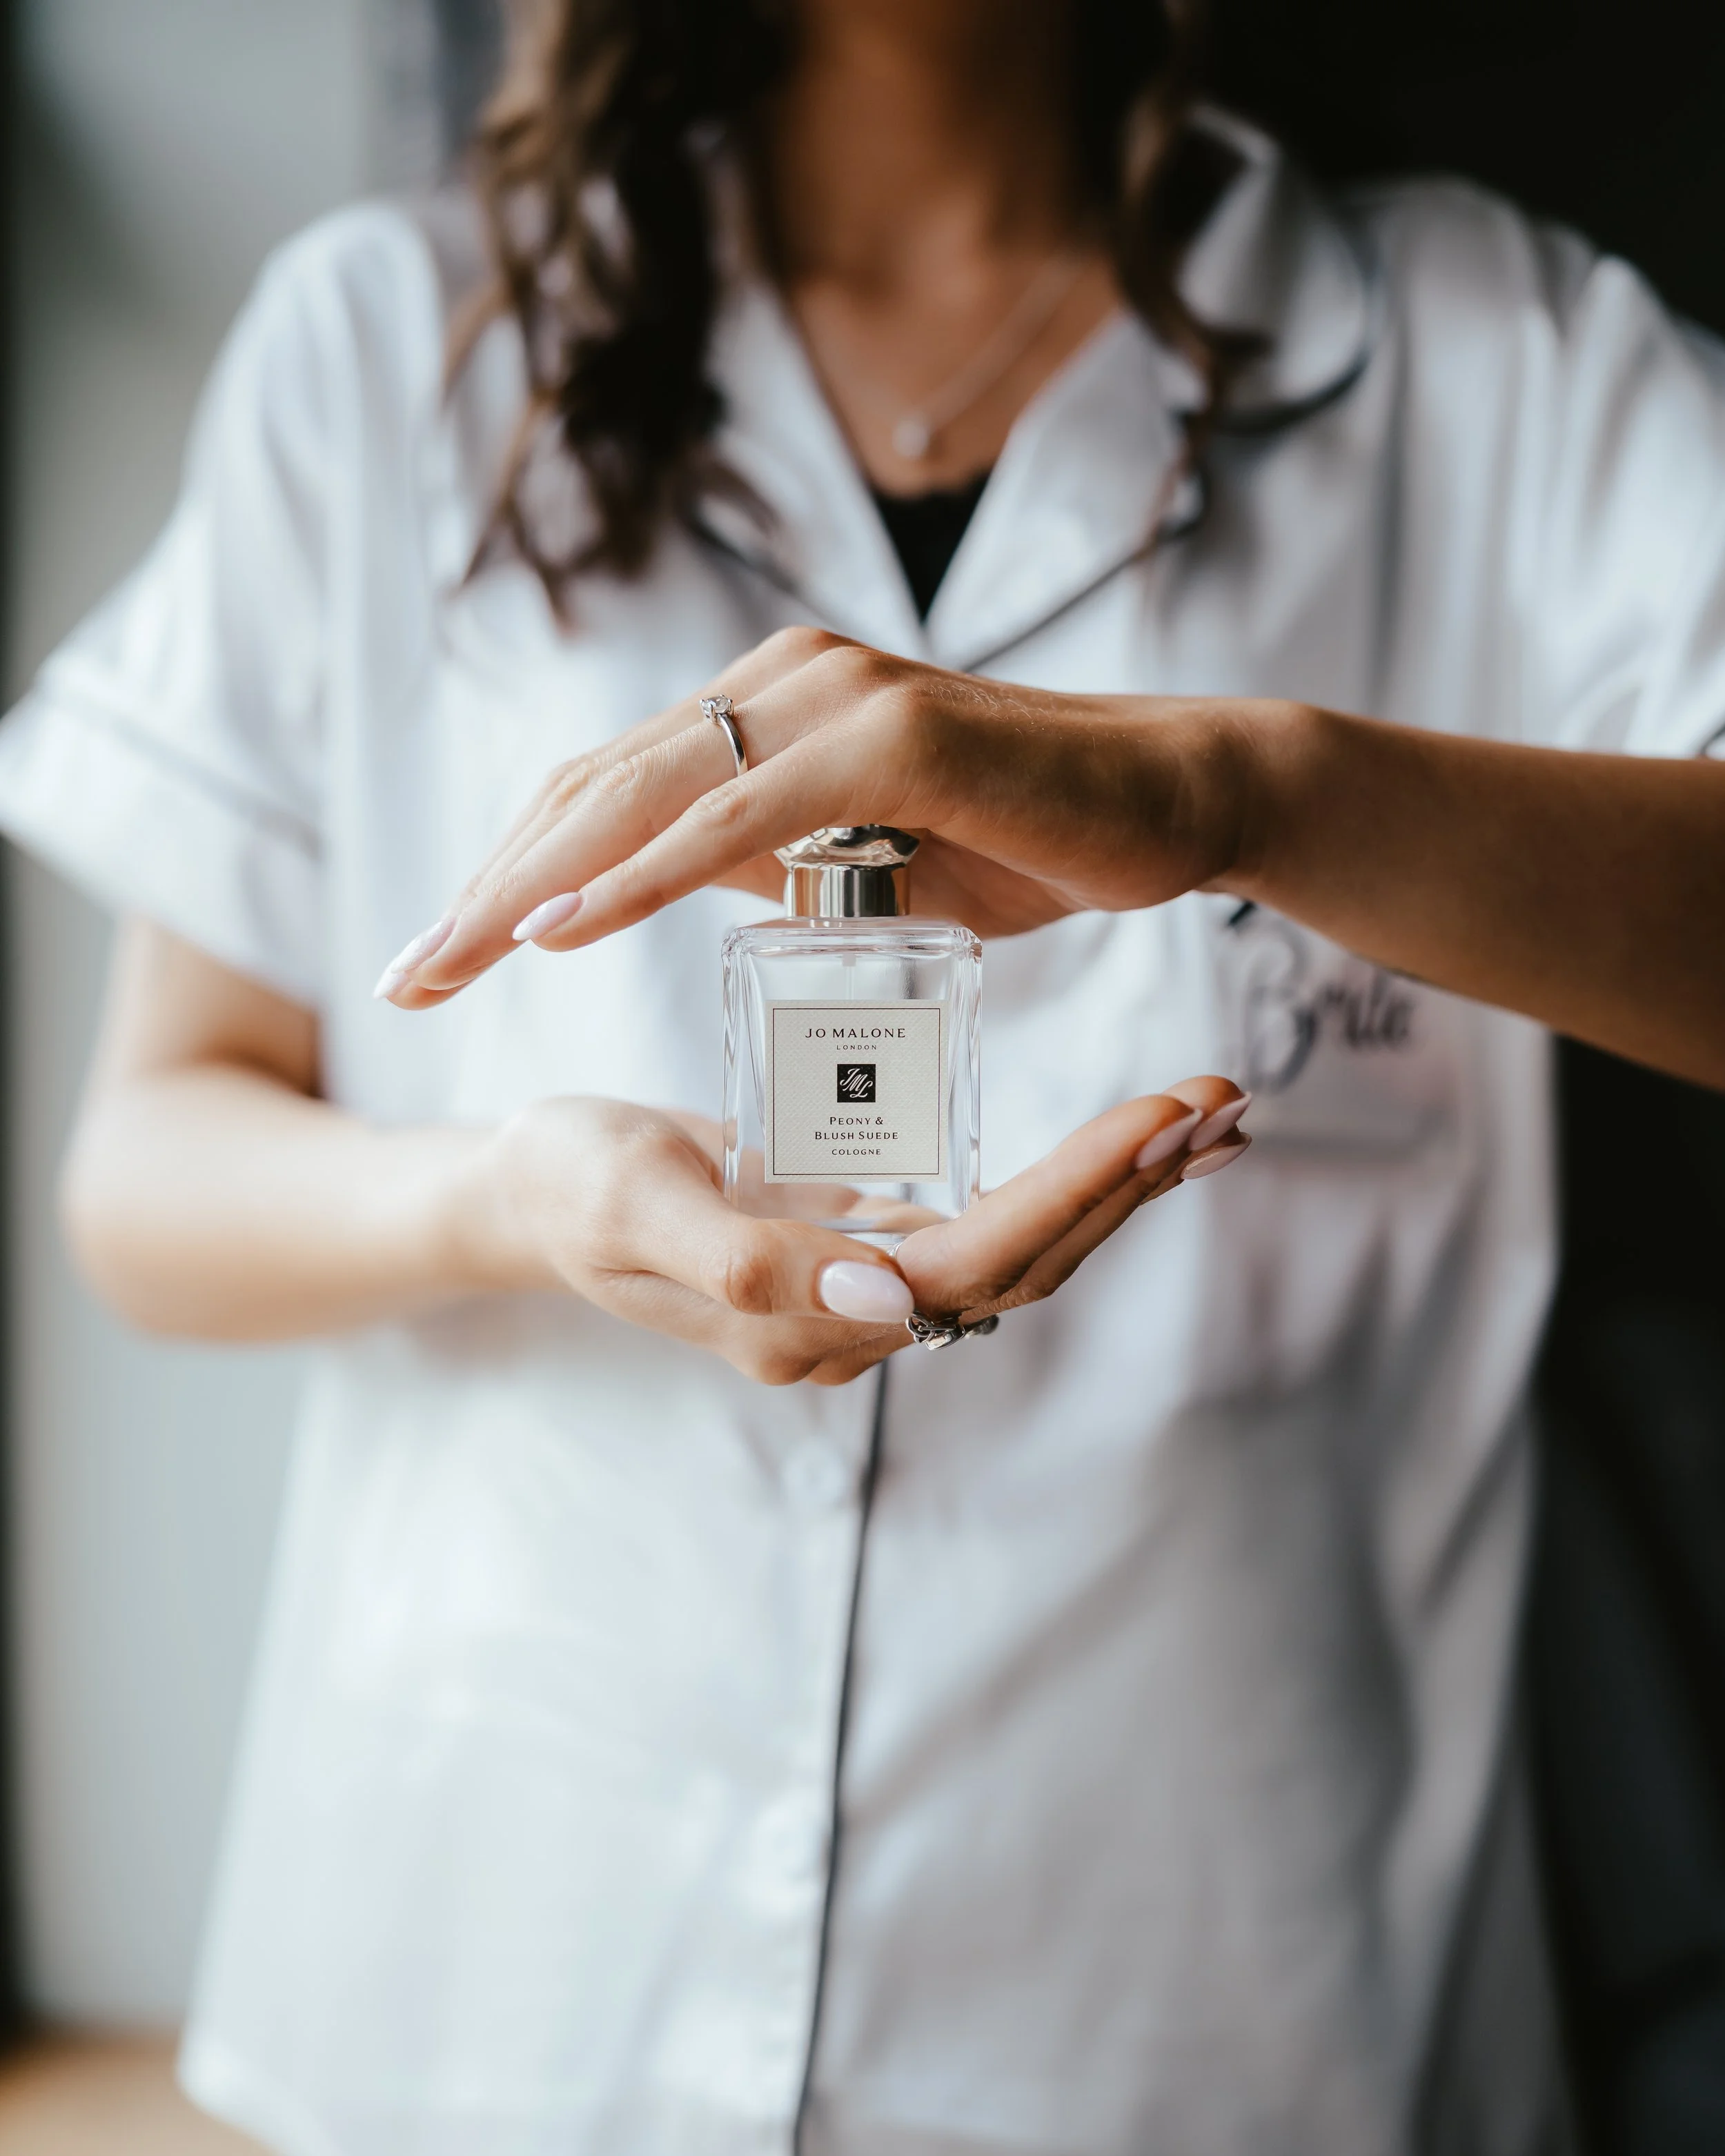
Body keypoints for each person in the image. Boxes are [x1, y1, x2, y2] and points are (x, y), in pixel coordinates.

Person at [3, 0, 1724, 2150]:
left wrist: (1250, 787)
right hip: (495, 1991)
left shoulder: (1494, 353)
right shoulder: (388, 342)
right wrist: (504, 1199)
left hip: (1219, 2018)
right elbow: (145, 1181)